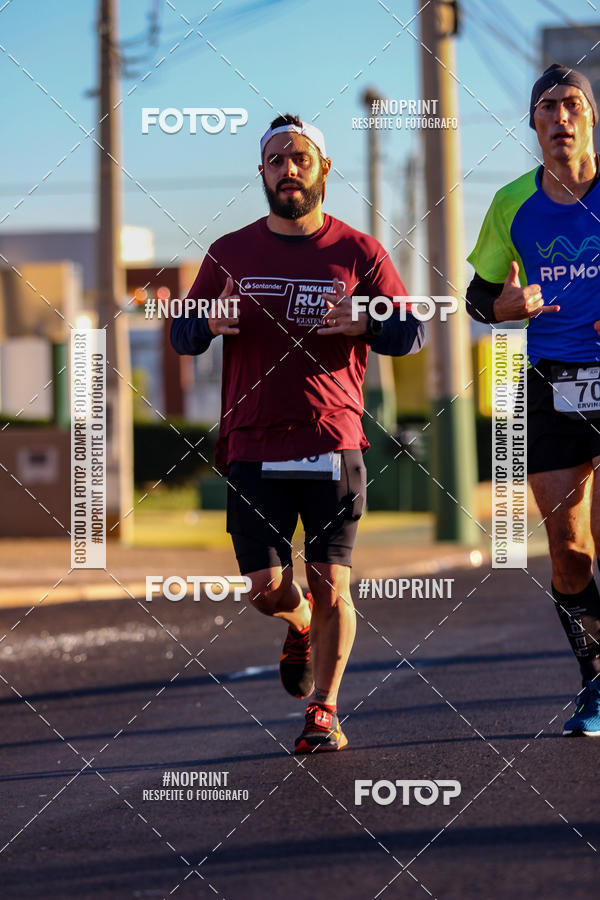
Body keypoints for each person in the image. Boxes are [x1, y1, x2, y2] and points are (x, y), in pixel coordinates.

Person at [171, 114, 423, 752]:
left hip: (333, 439)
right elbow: (180, 334)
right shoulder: (229, 252)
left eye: (301, 158)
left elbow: (411, 333)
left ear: (323, 170)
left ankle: (324, 710)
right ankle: (298, 623)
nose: (289, 169)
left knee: (332, 580)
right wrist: (206, 318)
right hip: (253, 442)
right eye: (277, 159)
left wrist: (367, 320)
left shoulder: (358, 252)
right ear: (262, 172)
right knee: (264, 591)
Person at [466, 65, 600, 736]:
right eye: (546, 106)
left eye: (571, 103)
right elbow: (476, 295)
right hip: (554, 379)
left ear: (590, 117)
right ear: (533, 124)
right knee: (568, 546)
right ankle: (597, 681)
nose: (559, 116)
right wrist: (503, 306)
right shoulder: (512, 202)